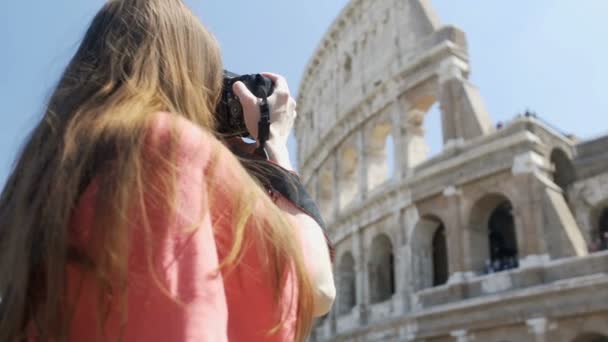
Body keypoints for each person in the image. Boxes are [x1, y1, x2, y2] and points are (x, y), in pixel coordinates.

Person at [0, 0, 335, 341]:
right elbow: (317, 285)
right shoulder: (166, 148)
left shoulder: (40, 179)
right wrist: (274, 148)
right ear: (187, 76)